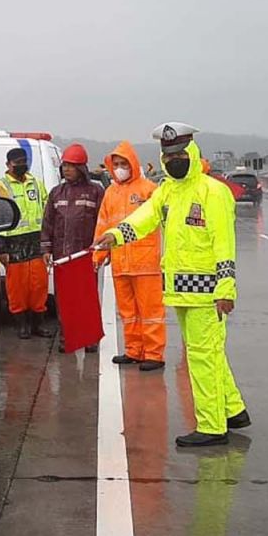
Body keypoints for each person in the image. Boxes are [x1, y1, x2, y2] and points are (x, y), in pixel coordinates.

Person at [95, 122, 250, 448]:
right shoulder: (167, 191)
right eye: (169, 155)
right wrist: (115, 236)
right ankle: (233, 410)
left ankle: (211, 426)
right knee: (208, 352)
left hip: (208, 293)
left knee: (202, 357)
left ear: (191, 152)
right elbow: (144, 218)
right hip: (180, 289)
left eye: (180, 153)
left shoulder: (213, 192)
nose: (175, 159)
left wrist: (225, 289)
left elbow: (224, 244)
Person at [94, 140, 166, 371]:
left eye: (123, 163)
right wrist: (98, 254)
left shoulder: (149, 190)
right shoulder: (110, 193)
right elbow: (103, 225)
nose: (119, 167)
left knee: (151, 312)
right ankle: (134, 350)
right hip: (120, 262)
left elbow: (161, 222)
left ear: (132, 163)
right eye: (115, 163)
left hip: (146, 263)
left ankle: (154, 354)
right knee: (128, 312)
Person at [41, 143, 104, 353]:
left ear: (82, 168)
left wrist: (101, 250)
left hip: (85, 255)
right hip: (61, 257)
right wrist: (46, 250)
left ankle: (90, 338)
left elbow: (102, 222)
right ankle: (67, 337)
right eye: (65, 165)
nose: (67, 169)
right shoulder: (56, 193)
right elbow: (47, 223)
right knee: (64, 301)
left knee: (86, 298)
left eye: (71, 165)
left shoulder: (95, 191)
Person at [0, 147, 53, 339]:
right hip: (13, 244)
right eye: (16, 163)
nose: (21, 165)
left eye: (23, 162)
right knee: (17, 289)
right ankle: (22, 326)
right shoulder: (2, 186)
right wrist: (1, 248)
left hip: (36, 241)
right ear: (8, 164)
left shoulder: (36, 184)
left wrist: (49, 240)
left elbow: (47, 211)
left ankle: (38, 324)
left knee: (39, 286)